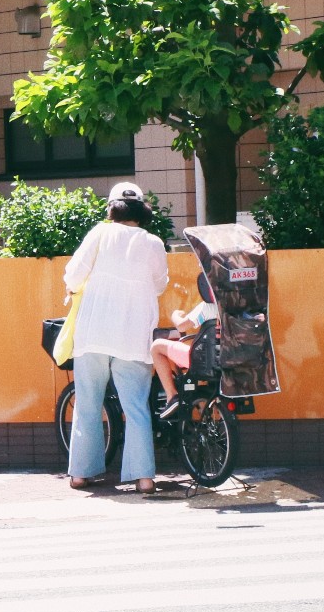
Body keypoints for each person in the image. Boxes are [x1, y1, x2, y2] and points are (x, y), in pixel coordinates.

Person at [62, 182, 171, 494]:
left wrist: (75, 287)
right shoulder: (153, 243)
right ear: (141, 210)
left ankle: (82, 474)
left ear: (112, 208)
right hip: (133, 336)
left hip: (93, 333)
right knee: (136, 407)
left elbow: (74, 274)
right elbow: (159, 284)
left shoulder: (99, 233)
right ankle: (144, 478)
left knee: (87, 404)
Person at [152, 271, 218, 423]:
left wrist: (176, 314)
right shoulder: (238, 308)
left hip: (204, 359)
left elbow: (182, 325)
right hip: (230, 359)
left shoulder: (207, 307)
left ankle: (171, 396)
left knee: (156, 347)